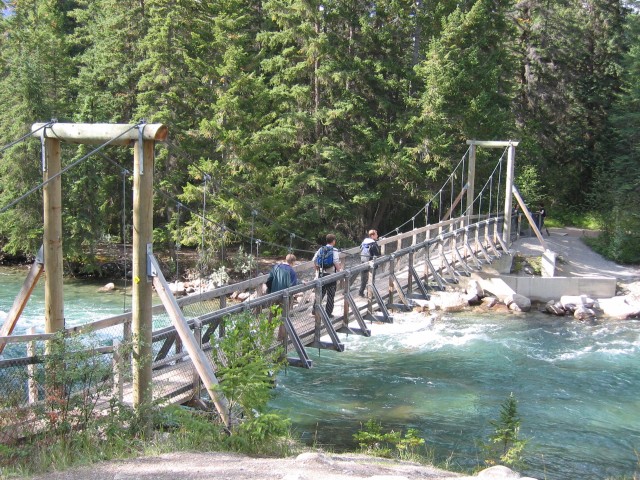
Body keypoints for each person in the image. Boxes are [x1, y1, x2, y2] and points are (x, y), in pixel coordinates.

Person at [265, 253, 299, 340]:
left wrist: (271, 290)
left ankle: (268, 334)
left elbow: (269, 280)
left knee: (272, 315)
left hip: (274, 295)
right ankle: (281, 338)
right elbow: (293, 286)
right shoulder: (292, 271)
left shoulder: (276, 267)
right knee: (284, 317)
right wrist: (301, 283)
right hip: (285, 297)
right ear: (293, 262)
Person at [312, 234, 343, 318]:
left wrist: (317, 270)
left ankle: (314, 310)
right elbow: (336, 262)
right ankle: (328, 313)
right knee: (331, 294)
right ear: (333, 241)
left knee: (321, 293)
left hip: (321, 274)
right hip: (331, 275)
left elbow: (314, 260)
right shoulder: (334, 250)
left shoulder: (321, 249)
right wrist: (340, 271)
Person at [358, 229, 380, 297]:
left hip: (363, 262)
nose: (377, 235)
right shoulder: (373, 244)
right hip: (371, 263)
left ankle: (361, 292)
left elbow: (360, 250)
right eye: (376, 234)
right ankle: (369, 294)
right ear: (372, 235)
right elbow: (377, 254)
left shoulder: (363, 242)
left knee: (363, 279)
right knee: (371, 279)